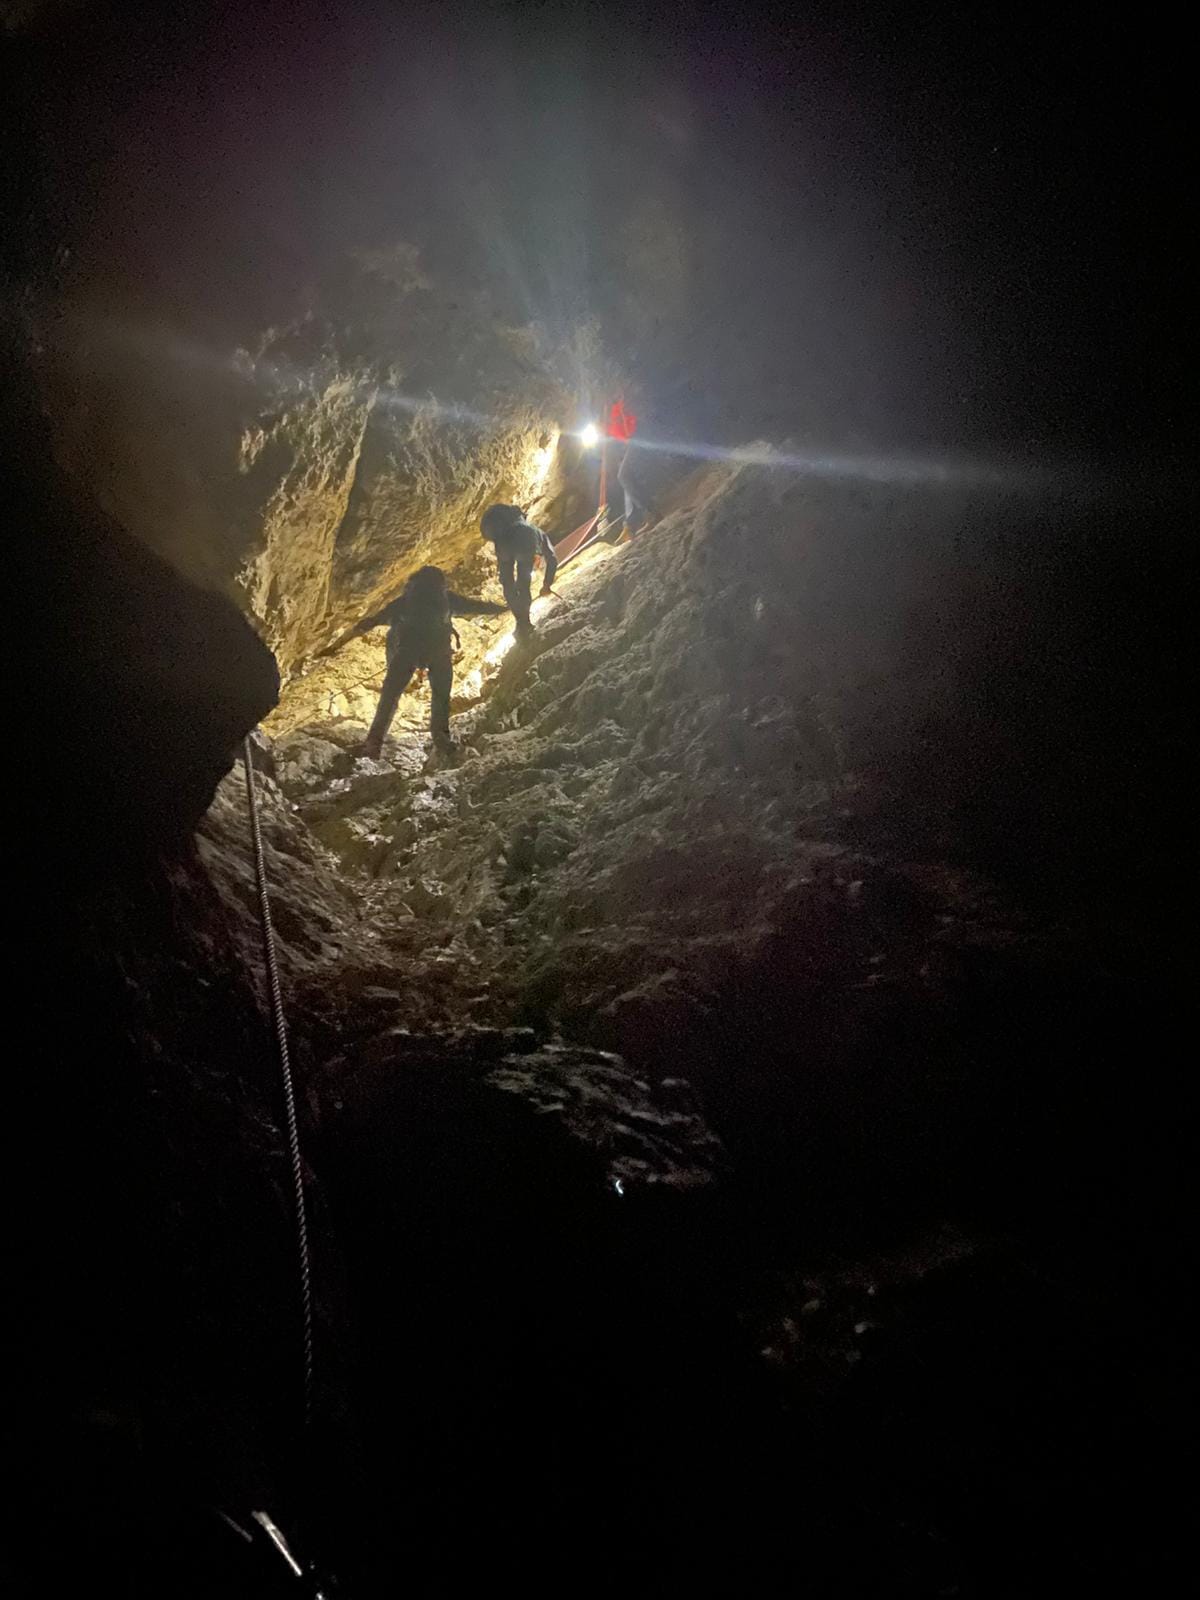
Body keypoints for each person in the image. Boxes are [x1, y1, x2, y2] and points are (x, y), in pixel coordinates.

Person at [335, 565, 508, 758]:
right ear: (440, 583)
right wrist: (504, 608)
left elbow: (378, 618)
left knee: (390, 696)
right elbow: (477, 607)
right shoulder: (447, 598)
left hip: (407, 652)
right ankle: (442, 742)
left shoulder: (406, 600)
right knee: (440, 698)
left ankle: (373, 744)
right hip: (439, 653)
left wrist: (358, 628)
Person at [479, 504, 558, 637]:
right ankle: (525, 624)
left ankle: (519, 622)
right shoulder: (534, 531)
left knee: (507, 583)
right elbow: (552, 559)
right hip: (524, 540)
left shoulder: (505, 529)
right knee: (523, 582)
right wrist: (547, 585)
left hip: (503, 543)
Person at [616, 437, 655, 541]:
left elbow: (630, 427)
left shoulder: (611, 422)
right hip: (633, 439)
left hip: (640, 437)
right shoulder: (609, 427)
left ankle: (651, 514)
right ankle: (630, 525)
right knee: (624, 474)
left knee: (624, 475)